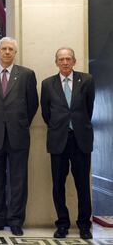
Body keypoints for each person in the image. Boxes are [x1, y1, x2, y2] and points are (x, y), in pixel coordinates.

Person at [0, 37, 38, 236]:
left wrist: (20, 123)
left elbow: (32, 105)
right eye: (3, 48)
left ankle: (15, 220)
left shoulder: (26, 75)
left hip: (18, 135)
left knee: (18, 179)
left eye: (10, 49)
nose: (6, 52)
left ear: (15, 52)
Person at [41, 47, 95, 240]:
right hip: (58, 141)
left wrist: (76, 126)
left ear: (74, 61)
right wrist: (60, 127)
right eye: (61, 59)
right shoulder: (47, 84)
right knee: (58, 185)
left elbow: (89, 109)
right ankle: (62, 223)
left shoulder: (87, 80)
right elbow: (47, 114)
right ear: (56, 62)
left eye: (68, 59)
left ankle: (84, 225)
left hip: (80, 140)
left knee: (82, 185)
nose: (65, 62)